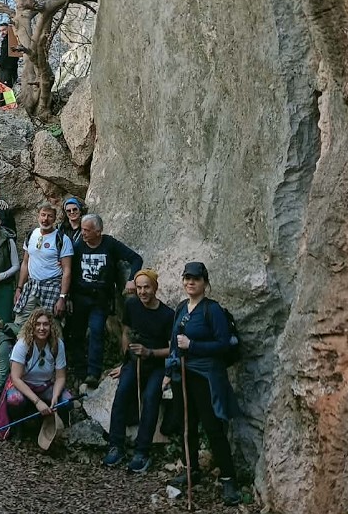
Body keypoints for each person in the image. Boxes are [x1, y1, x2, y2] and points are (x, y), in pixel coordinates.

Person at [164, 262, 243, 505]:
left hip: (205, 376)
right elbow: (174, 342)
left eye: (196, 279)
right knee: (185, 424)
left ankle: (229, 479)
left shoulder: (213, 310)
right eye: (187, 278)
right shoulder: (180, 308)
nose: (190, 282)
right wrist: (169, 370)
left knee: (211, 427)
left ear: (205, 283)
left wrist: (194, 346)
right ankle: (191, 469)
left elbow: (223, 344)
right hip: (182, 374)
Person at [104, 269, 174, 471]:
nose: (142, 292)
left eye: (147, 287)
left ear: (155, 288)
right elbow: (126, 331)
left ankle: (142, 451)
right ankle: (115, 446)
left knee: (151, 397)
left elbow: (172, 349)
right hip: (134, 362)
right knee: (122, 391)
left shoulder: (167, 314)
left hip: (157, 365)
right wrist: (125, 361)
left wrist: (149, 352)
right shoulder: (132, 304)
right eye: (140, 287)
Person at [70, 213, 145, 387]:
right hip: (80, 297)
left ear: (98, 231)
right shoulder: (79, 245)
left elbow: (136, 259)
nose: (83, 233)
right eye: (82, 229)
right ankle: (79, 371)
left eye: (87, 230)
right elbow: (69, 267)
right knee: (77, 334)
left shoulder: (110, 244)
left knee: (97, 332)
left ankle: (93, 373)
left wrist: (132, 278)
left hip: (100, 299)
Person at [0, 307, 74, 441]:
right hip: (24, 385)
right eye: (38, 324)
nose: (42, 328)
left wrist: (55, 396)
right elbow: (16, 378)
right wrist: (37, 402)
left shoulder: (57, 345)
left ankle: (58, 429)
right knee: (15, 399)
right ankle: (18, 427)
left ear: (51, 326)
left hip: (45, 385)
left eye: (45, 324)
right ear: (32, 326)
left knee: (66, 400)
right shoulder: (23, 344)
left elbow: (60, 376)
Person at [14, 203, 74, 320]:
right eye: (43, 215)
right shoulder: (31, 235)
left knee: (51, 325)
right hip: (32, 285)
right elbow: (25, 263)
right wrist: (19, 288)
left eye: (49, 216)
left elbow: (67, 270)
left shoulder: (62, 239)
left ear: (55, 218)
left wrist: (62, 297)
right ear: (38, 216)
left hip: (52, 286)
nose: (45, 219)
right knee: (20, 320)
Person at [0, 21, 21, 87]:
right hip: (4, 69)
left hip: (9, 68)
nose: (2, 32)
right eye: (0, 31)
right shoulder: (4, 41)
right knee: (4, 89)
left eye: (4, 30)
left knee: (7, 90)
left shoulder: (13, 39)